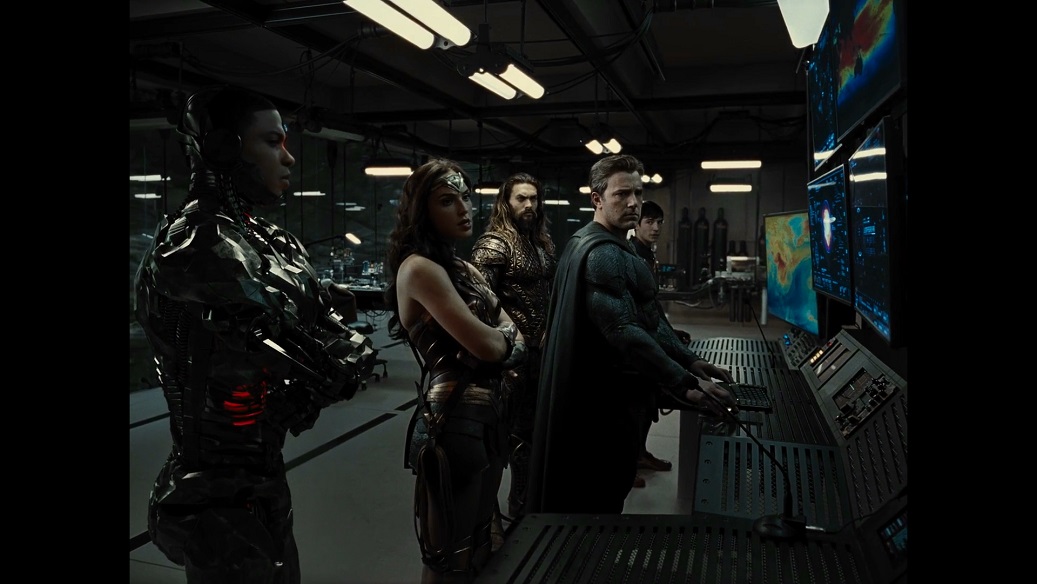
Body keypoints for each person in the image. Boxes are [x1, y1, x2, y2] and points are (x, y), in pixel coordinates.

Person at [134, 85, 378, 583]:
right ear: (225, 149)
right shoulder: (195, 245)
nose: (288, 158)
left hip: (261, 477)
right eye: (271, 142)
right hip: (215, 492)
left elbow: (331, 348)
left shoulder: (269, 240)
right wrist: (328, 342)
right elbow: (324, 363)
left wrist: (328, 342)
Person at [525, 153, 738, 515]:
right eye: (622, 194)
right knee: (599, 500)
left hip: (618, 403)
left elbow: (651, 319)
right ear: (597, 199)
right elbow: (625, 332)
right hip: (599, 410)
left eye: (638, 193)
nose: (634, 203)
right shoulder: (601, 254)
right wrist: (684, 383)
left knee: (613, 492)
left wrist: (690, 360)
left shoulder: (617, 247)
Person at [384, 159, 527, 583]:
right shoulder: (418, 268)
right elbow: (490, 343)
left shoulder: (463, 270)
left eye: (465, 197)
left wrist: (502, 341)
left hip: (488, 419)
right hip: (451, 423)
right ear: (422, 210)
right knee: (449, 554)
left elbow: (514, 333)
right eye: (448, 201)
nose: (464, 208)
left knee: (482, 540)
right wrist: (502, 341)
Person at [469, 172, 557, 520]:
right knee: (499, 442)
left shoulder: (542, 244)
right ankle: (490, 522)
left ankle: (524, 510)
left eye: (533, 198)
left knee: (532, 436)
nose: (529, 205)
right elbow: (479, 303)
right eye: (521, 198)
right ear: (506, 202)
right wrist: (506, 343)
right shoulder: (493, 244)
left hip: (541, 355)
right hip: (509, 359)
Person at [627, 200, 673, 486]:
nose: (655, 228)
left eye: (659, 222)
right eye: (650, 222)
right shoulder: (631, 255)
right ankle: (624, 464)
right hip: (634, 343)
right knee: (632, 408)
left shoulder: (647, 254)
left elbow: (652, 303)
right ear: (636, 224)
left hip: (649, 337)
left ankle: (640, 454)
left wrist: (669, 333)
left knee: (647, 404)